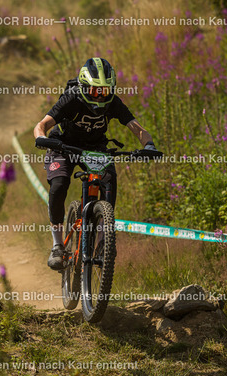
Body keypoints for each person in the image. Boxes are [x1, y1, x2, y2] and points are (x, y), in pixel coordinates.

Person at [34, 57, 157, 270]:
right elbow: (42, 124)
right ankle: (57, 245)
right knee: (59, 186)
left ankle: (103, 242)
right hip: (63, 146)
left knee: (109, 181)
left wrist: (149, 146)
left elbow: (137, 128)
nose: (100, 96)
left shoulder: (113, 103)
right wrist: (41, 138)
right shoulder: (71, 98)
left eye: (105, 91)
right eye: (95, 90)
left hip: (95, 148)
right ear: (83, 87)